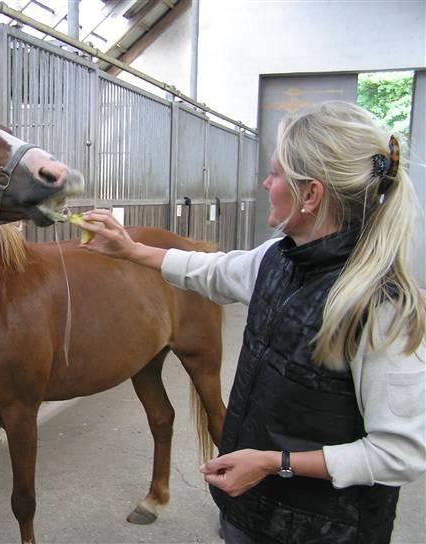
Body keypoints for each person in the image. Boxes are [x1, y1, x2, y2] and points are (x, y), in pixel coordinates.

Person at [75, 101, 426, 543]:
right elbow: (215, 271)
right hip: (251, 509)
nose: (266, 183)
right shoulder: (279, 257)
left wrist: (273, 463)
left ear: (310, 195)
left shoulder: (380, 307)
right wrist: (131, 250)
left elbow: (401, 453)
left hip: (325, 530)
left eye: (276, 174)